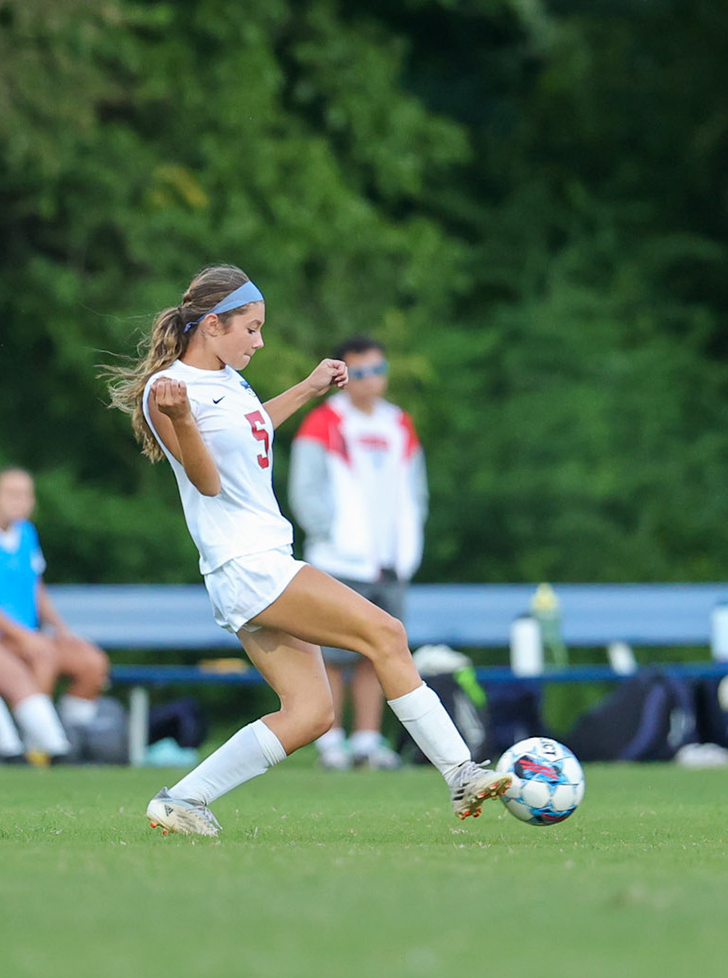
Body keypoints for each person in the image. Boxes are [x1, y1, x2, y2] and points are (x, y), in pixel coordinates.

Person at [106, 264, 508, 836]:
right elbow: (207, 480)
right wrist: (178, 418)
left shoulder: (226, 379)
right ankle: (460, 772)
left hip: (252, 562)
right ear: (214, 325)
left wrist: (309, 388)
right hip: (249, 562)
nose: (259, 340)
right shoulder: (169, 390)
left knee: (312, 713)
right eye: (251, 328)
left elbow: (251, 430)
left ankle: (183, 799)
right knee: (387, 634)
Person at [289, 336, 427, 771]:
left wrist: (409, 541)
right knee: (330, 653)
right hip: (339, 560)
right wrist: (331, 534)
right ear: (344, 375)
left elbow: (415, 489)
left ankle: (367, 741)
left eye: (379, 370)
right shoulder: (324, 421)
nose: (372, 380)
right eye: (361, 372)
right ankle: (330, 742)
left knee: (378, 651)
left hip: (389, 561)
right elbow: (305, 489)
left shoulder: (398, 423)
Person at [0, 467, 110, 760]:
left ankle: (71, 733)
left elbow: (36, 589)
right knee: (41, 654)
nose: (19, 501)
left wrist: (60, 629)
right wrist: (28, 637)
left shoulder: (26, 533)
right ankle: (40, 741)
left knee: (91, 662)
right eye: (11, 493)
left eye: (25, 494)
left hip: (22, 634)